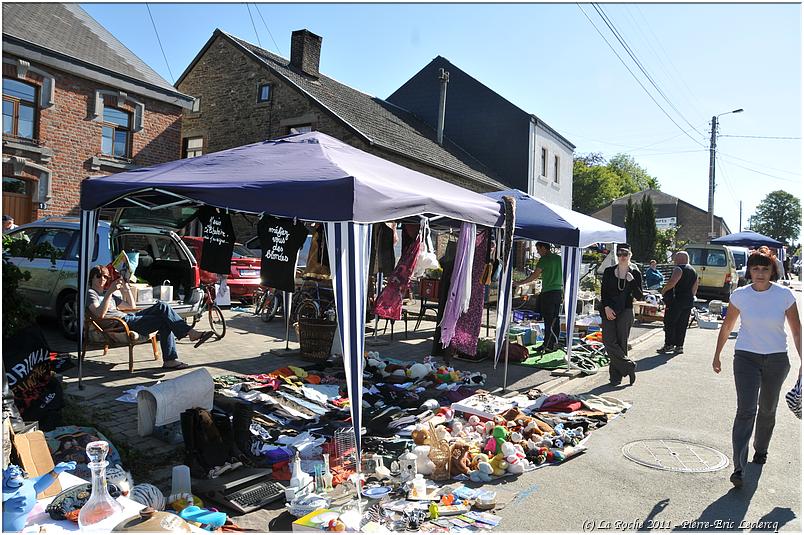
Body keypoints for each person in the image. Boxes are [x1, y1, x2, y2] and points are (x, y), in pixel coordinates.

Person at [712, 248, 801, 489]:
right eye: (755, 268)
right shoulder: (740, 295)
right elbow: (728, 325)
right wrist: (717, 354)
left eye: (765, 268)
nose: (760, 273)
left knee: (768, 409)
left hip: (776, 359)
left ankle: (761, 449)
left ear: (772, 271)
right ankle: (738, 467)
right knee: (746, 410)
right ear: (749, 271)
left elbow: (796, 330)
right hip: (746, 358)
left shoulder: (784, 295)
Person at [87, 265, 213, 369]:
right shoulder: (90, 294)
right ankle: (173, 356)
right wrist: (110, 292)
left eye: (105, 276)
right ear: (91, 278)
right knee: (165, 320)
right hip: (120, 324)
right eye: (98, 276)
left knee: (162, 306)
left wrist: (126, 288)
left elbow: (131, 305)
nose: (102, 279)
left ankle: (188, 335)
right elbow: (99, 315)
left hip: (130, 317)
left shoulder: (107, 295)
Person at [599, 243, 643, 386]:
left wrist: (632, 281)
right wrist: (606, 307)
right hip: (609, 310)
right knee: (608, 341)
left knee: (621, 343)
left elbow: (639, 295)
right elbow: (603, 292)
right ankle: (628, 365)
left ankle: (615, 377)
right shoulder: (609, 271)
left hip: (626, 310)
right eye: (619, 254)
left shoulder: (635, 272)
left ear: (630, 255)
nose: (622, 257)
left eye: (625, 254)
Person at [514, 242, 563, 353]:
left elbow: (534, 276)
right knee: (556, 318)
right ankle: (554, 343)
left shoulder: (544, 260)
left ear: (544, 248)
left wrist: (520, 283)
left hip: (548, 293)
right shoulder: (559, 259)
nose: (537, 252)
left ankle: (547, 345)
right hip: (558, 292)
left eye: (538, 249)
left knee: (548, 320)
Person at [658, 251, 698, 354]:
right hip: (688, 301)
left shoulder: (678, 269)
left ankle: (669, 344)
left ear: (680, 259)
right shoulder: (693, 271)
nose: (674, 260)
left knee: (670, 323)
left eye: (675, 258)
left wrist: (664, 290)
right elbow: (695, 287)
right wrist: (691, 297)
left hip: (675, 301)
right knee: (682, 324)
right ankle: (679, 346)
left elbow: (673, 282)